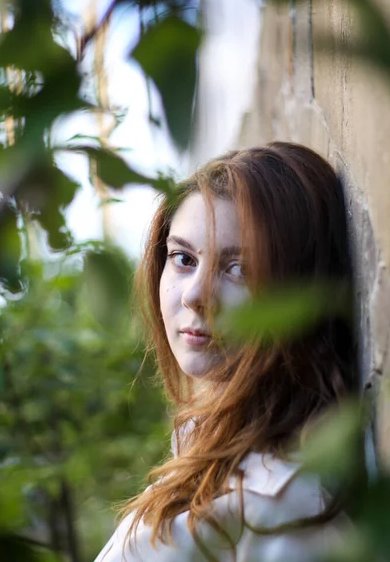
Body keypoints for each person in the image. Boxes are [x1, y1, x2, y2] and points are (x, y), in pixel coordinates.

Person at [94, 143, 359, 562]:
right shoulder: (207, 451)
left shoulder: (281, 504)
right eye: (183, 258)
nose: (197, 296)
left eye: (239, 270)